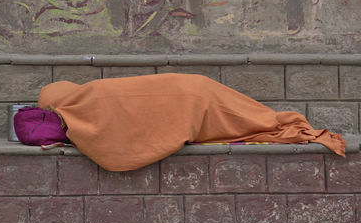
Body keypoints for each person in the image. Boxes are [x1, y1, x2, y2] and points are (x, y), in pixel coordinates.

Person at [38, 73, 345, 171]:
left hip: (194, 101)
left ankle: (277, 121)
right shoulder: (92, 92)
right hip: (196, 91)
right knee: (249, 118)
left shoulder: (86, 104)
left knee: (248, 120)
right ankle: (275, 120)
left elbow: (115, 144)